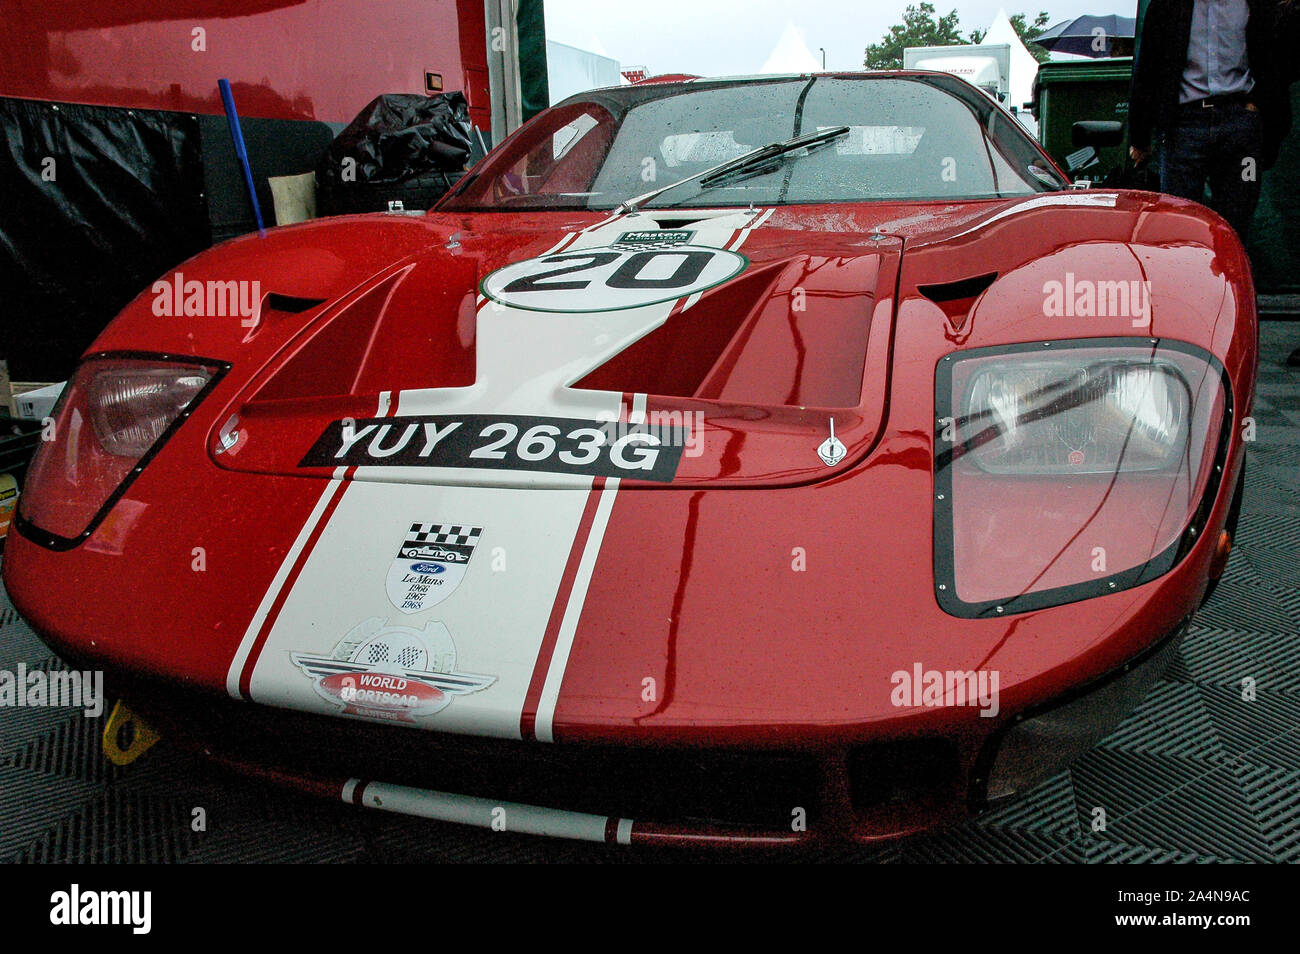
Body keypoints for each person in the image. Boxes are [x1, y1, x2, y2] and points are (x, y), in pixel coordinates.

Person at [1129, 0, 1289, 240]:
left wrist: (1258, 107)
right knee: (1179, 226)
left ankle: (1230, 277)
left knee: (1236, 227)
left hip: (1240, 125)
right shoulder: (1167, 6)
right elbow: (1148, 66)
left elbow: (1278, 58)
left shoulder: (1258, 4)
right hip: (1183, 126)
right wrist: (1140, 138)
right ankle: (1187, 277)